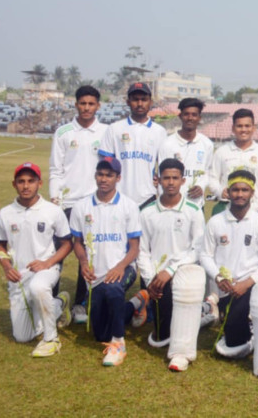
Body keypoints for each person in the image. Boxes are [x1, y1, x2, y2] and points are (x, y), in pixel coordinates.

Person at [69, 157, 150, 366]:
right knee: (100, 332)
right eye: (100, 174)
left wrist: (121, 267)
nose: (104, 179)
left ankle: (118, 344)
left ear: (118, 178)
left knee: (113, 289)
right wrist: (84, 263)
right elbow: (77, 242)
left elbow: (134, 248)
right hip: (95, 274)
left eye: (109, 175)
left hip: (124, 268)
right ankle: (135, 303)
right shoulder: (81, 206)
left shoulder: (129, 206)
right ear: (95, 175)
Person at [0, 162, 72, 357]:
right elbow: (0, 245)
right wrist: (6, 266)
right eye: (21, 181)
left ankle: (51, 339)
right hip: (19, 277)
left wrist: (47, 263)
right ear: (14, 184)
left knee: (38, 287)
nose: (26, 186)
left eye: (31, 181)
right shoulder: (5, 213)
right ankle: (59, 303)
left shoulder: (52, 211)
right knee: (22, 336)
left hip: (46, 269)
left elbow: (67, 244)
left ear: (40, 183)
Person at [201, 170, 258, 360]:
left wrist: (247, 283)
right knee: (233, 340)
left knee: (235, 337)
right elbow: (205, 254)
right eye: (235, 190)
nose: (240, 194)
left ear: (252, 193)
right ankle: (247, 323)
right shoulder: (215, 222)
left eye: (245, 190)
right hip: (226, 286)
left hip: (252, 284)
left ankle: (256, 321)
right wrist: (218, 277)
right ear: (228, 191)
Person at [137, 158, 205, 370]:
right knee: (162, 335)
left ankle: (198, 312)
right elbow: (142, 251)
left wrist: (172, 270)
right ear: (158, 180)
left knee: (180, 315)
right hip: (156, 278)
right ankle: (144, 299)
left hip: (182, 274)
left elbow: (197, 249)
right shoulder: (147, 212)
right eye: (166, 178)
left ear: (183, 180)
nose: (171, 182)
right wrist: (150, 280)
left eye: (175, 178)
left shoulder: (193, 210)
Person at [49, 85, 108, 323]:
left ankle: (80, 304)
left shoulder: (106, 132)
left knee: (88, 255)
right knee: (57, 253)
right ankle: (52, 301)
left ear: (98, 106)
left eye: (91, 104)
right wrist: (56, 200)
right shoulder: (63, 132)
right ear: (76, 105)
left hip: (93, 204)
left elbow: (110, 170)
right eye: (82, 103)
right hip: (66, 203)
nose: (86, 108)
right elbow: (55, 169)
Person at [98, 82, 167, 209]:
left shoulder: (160, 132)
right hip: (119, 196)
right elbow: (105, 164)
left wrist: (159, 181)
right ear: (128, 102)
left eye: (144, 100)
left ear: (150, 102)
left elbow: (164, 166)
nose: (140, 104)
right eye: (135, 100)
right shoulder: (115, 129)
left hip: (148, 197)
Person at [207, 108, 258, 216]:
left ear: (254, 128)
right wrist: (220, 191)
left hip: (255, 208)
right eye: (239, 126)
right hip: (226, 207)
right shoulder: (222, 152)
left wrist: (256, 206)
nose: (243, 130)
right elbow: (212, 178)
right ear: (233, 128)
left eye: (247, 126)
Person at [157, 97, 214, 208]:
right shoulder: (167, 144)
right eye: (186, 114)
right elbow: (161, 175)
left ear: (199, 118)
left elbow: (208, 172)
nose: (190, 118)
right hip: (172, 204)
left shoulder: (207, 144)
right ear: (180, 116)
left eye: (194, 115)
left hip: (196, 205)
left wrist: (201, 186)